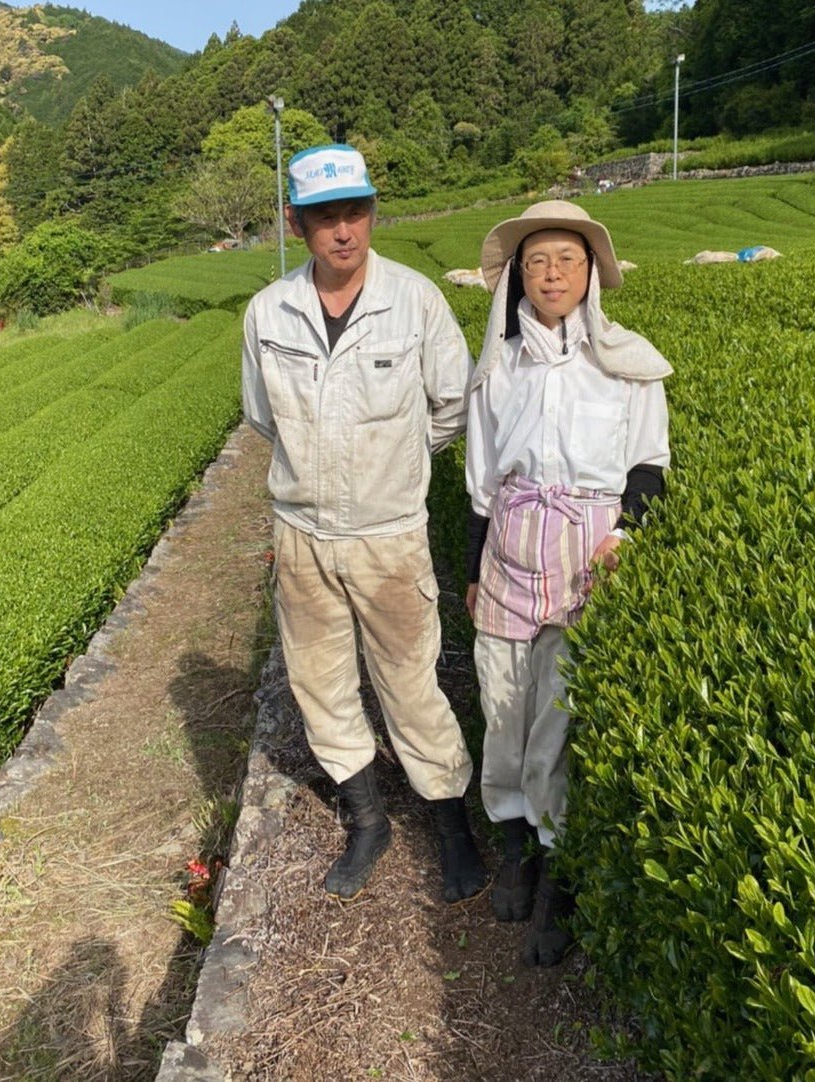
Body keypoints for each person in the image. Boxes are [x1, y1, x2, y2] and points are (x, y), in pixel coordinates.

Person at [241, 144, 486, 904]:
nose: (342, 231)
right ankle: (367, 819)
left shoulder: (415, 301)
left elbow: (452, 404)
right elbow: (262, 415)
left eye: (355, 213)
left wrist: (396, 464)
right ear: (297, 224)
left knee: (410, 681)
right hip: (302, 534)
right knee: (320, 682)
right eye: (325, 218)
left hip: (389, 534)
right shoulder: (268, 312)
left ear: (373, 214)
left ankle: (449, 821)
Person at [464, 200, 672, 964]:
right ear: (518, 276)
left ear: (591, 272)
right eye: (536, 262)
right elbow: (481, 477)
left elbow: (649, 462)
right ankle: (515, 839)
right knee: (503, 702)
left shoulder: (628, 364)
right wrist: (474, 569)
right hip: (511, 545)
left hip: (589, 549)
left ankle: (559, 866)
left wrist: (625, 535)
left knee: (559, 709)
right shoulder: (499, 368)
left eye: (567, 260)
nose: (551, 274)